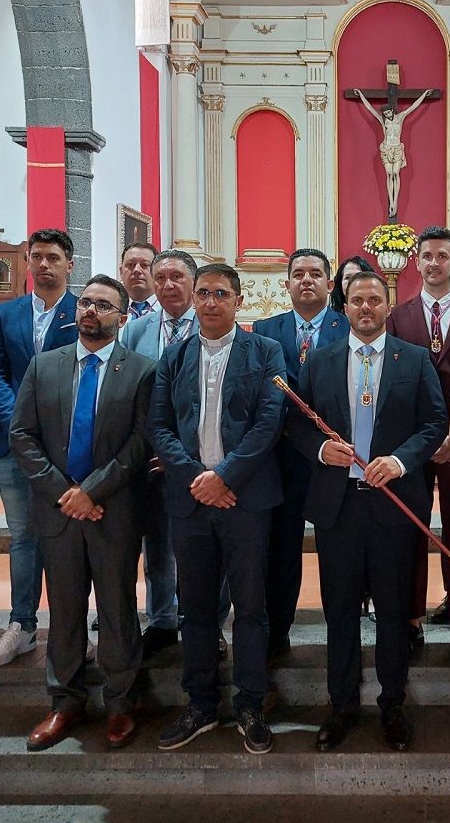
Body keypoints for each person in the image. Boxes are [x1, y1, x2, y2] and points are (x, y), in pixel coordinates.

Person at [289, 271, 447, 752]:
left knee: (395, 612)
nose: (365, 308)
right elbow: (296, 425)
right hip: (340, 508)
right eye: (357, 300)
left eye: (374, 300)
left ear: (387, 304)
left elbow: (434, 422)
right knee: (339, 610)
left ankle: (393, 703)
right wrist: (321, 450)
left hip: (393, 506)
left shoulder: (415, 359)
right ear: (346, 305)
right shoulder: (320, 360)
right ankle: (341, 706)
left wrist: (400, 461)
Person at [10, 275, 156, 752]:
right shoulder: (44, 366)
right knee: (66, 609)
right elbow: (23, 436)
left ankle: (120, 703)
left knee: (116, 609)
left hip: (112, 510)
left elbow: (140, 443)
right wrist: (65, 492)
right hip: (59, 512)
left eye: (103, 306)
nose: (91, 311)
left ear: (123, 316)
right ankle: (65, 702)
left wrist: (92, 491)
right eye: (86, 302)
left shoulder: (141, 370)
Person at [150, 263, 287, 754]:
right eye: (203, 293)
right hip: (190, 501)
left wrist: (224, 476)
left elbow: (269, 423)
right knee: (196, 608)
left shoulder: (265, 351)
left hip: (245, 499)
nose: (210, 301)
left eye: (220, 294)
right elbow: (160, 426)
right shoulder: (175, 355)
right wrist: (196, 478)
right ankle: (201, 704)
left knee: (250, 607)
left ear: (238, 299)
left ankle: (250, 704)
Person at [0, 229, 79, 668]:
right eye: (36, 256)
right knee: (23, 537)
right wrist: (17, 424)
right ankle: (21, 625)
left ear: (68, 265)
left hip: (69, 446)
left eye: (53, 257)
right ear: (26, 263)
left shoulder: (85, 310)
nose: (43, 264)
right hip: (14, 445)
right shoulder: (6, 315)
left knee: (70, 540)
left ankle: (72, 628)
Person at [386, 227, 450, 664]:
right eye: (427, 255)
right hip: (411, 442)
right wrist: (420, 441)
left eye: (443, 255)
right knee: (411, 528)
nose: (435, 262)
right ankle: (410, 618)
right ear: (417, 262)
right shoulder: (397, 316)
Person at [253, 248, 349, 661]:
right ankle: (278, 629)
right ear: (287, 283)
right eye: (298, 274)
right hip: (279, 458)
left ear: (330, 284)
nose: (306, 280)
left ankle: (345, 629)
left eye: (315, 274)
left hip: (333, 457)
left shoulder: (349, 326)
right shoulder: (264, 329)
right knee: (282, 549)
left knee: (340, 549)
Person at [120, 249, 202, 659]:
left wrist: (185, 455)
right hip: (150, 458)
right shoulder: (136, 331)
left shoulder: (211, 325)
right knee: (157, 544)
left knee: (203, 547)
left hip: (200, 457)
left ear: (193, 282)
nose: (168, 285)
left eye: (177, 277)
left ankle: (202, 621)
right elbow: (130, 395)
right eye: (161, 277)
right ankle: (163, 619)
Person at [352, 87, 435, 219]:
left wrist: (424, 95)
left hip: (396, 149)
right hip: (386, 149)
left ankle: (395, 202)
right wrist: (361, 95)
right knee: (389, 175)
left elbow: (413, 107)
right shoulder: (382, 120)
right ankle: (391, 201)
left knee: (395, 173)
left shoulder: (400, 118)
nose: (386, 115)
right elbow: (369, 109)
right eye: (384, 114)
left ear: (392, 111)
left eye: (388, 113)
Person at [118, 241, 159, 319]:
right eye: (130, 265)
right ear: (121, 272)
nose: (137, 270)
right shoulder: (112, 311)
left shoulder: (169, 310)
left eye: (145, 265)